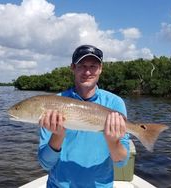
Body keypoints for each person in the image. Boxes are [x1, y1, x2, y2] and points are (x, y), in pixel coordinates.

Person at [38, 44, 130, 188]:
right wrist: (58, 136)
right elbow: (45, 164)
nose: (87, 72)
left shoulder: (115, 103)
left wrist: (113, 142)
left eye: (93, 66)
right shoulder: (53, 104)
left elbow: (121, 162)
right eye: (82, 66)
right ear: (73, 68)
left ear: (100, 69)